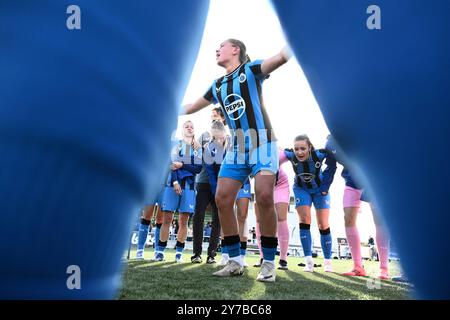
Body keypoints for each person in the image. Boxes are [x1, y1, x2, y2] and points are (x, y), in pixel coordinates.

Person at [183, 38, 292, 282]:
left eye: (221, 45)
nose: (216, 48)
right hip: (237, 147)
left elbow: (281, 57)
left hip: (262, 141)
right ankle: (234, 261)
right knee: (222, 198)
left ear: (236, 50)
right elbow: (191, 107)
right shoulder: (217, 85)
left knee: (264, 195)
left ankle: (269, 262)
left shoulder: (251, 70)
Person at [325, 135, 390, 279]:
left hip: (374, 181)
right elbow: (330, 152)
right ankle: (357, 267)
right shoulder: (335, 137)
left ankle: (384, 268)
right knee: (348, 219)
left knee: (379, 221)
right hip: (352, 182)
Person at [281, 135, 337, 272]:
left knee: (322, 224)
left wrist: (325, 187)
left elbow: (333, 163)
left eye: (303, 148)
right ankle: (308, 261)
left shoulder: (319, 154)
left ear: (310, 148)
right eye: (296, 149)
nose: (299, 152)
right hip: (301, 189)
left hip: (320, 190)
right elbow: (278, 153)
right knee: (305, 219)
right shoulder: (291, 155)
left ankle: (328, 261)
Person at [156, 120, 202, 262]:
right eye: (186, 126)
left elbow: (198, 168)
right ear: (182, 130)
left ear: (194, 130)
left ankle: (179, 253)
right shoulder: (176, 145)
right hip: (172, 185)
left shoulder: (197, 147)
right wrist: (175, 181)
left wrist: (182, 164)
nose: (189, 128)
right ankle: (160, 251)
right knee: (167, 218)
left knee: (184, 220)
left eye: (191, 126)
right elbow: (172, 166)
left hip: (188, 187)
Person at [191, 109, 226, 264]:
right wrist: (200, 150)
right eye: (211, 116)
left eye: (215, 116)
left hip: (220, 184)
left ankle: (211, 254)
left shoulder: (227, 138)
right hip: (203, 181)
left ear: (222, 119)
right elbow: (196, 157)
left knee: (217, 219)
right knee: (198, 215)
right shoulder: (203, 136)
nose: (213, 118)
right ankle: (196, 253)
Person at [254, 159, 291, 270]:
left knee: (281, 218)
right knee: (260, 219)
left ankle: (283, 259)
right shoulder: (250, 151)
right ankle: (262, 256)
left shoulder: (274, 148)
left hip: (280, 183)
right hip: (262, 182)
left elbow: (290, 155)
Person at [135, 174, 167, 260]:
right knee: (146, 217)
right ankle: (140, 250)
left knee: (160, 220)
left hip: (165, 186)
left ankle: (157, 251)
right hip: (151, 184)